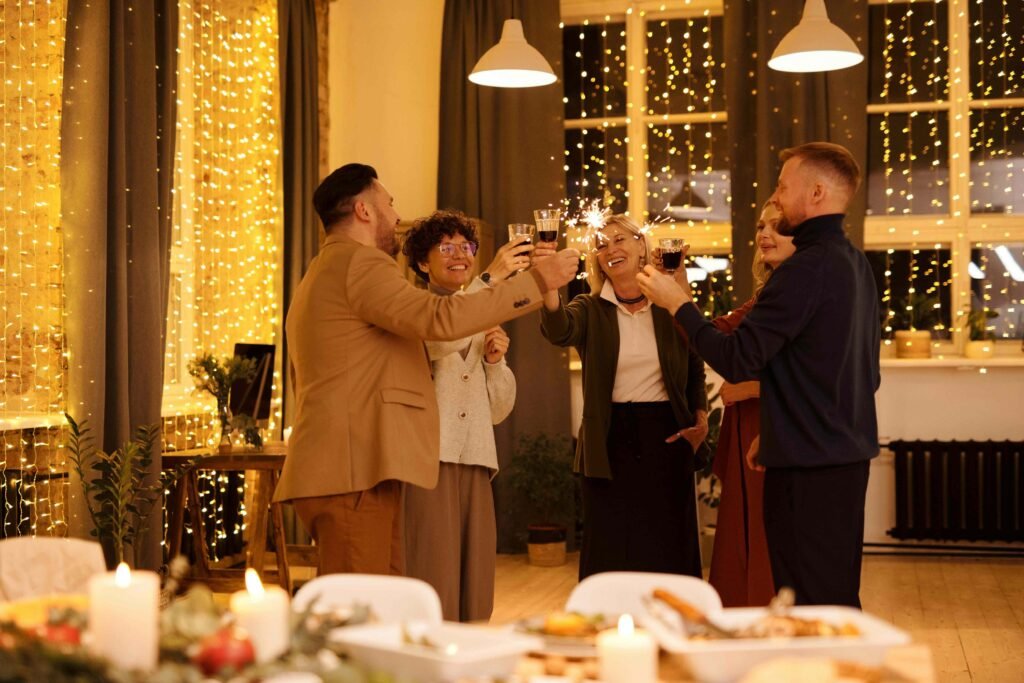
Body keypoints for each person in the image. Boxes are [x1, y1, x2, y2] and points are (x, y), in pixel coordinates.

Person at [274, 164, 580, 576]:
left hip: (362, 466)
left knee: (383, 607)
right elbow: (439, 320)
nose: (396, 217)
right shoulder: (360, 264)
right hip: (352, 469)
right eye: (389, 203)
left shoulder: (326, 269)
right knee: (359, 613)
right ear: (364, 211)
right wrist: (537, 281)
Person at [637, 142, 880, 608]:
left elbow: (737, 359)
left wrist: (676, 304)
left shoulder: (805, 268)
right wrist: (779, 428)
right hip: (843, 460)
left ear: (815, 193)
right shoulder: (854, 264)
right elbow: (858, 375)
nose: (777, 196)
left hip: (808, 469)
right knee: (833, 592)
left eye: (783, 187)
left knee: (809, 602)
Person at [537, 215, 709, 581]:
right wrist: (548, 284)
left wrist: (700, 416)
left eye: (619, 240)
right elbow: (558, 330)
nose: (610, 249)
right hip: (608, 439)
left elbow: (694, 358)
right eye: (601, 244)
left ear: (641, 246)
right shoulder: (590, 307)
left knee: (668, 547)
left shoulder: (668, 303)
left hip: (666, 434)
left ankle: (673, 626)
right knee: (611, 548)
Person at [400, 210, 529, 622]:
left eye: (467, 247)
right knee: (433, 567)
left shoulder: (480, 309)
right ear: (423, 262)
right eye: (447, 247)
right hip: (430, 458)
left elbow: (497, 410)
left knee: (474, 577)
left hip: (476, 456)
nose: (461, 255)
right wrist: (488, 281)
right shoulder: (413, 307)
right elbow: (441, 337)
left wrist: (494, 362)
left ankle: (468, 656)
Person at [707, 202, 795, 607]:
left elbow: (810, 375)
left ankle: (763, 613)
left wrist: (745, 390)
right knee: (740, 530)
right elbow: (716, 333)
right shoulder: (767, 295)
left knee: (763, 533)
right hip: (747, 425)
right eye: (761, 225)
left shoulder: (798, 291)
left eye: (777, 226)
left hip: (774, 427)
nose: (764, 233)